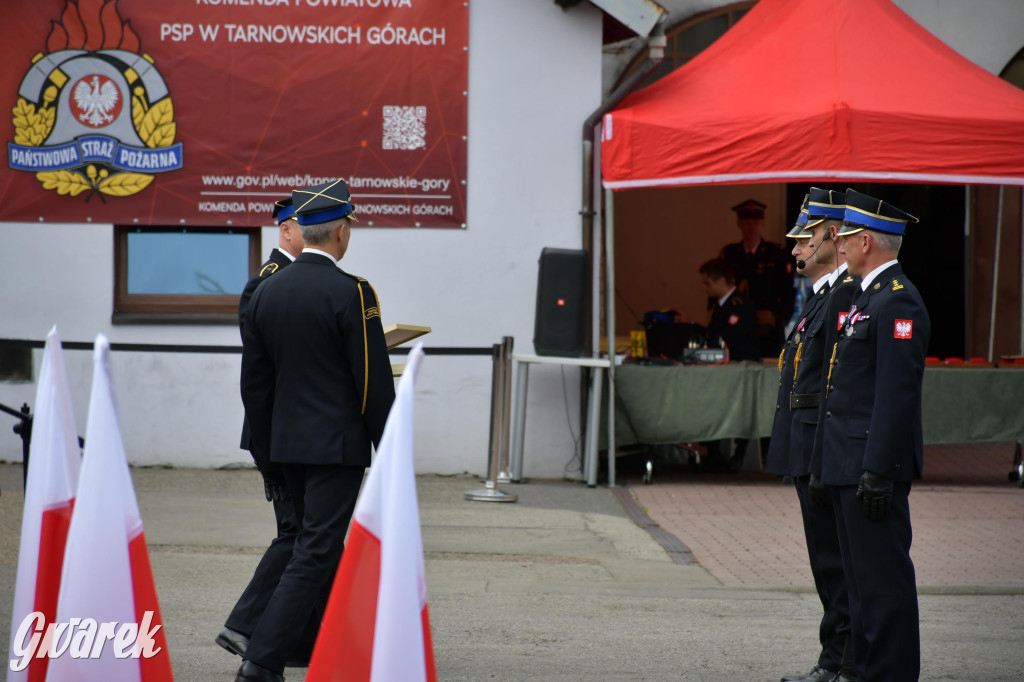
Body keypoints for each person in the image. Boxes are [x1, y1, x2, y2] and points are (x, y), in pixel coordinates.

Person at [236, 179, 395, 682]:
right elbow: (372, 381)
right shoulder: (354, 292)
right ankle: (261, 661)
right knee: (317, 549)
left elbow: (254, 388)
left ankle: (314, 646)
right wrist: (388, 446)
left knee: (309, 543)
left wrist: (268, 458)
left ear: (301, 231)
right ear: (342, 233)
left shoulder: (266, 291)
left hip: (286, 444)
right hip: (335, 448)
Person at [819, 188, 930, 682]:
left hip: (871, 465)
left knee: (883, 585)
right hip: (848, 463)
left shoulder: (898, 302)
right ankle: (863, 672)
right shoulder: (868, 299)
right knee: (861, 584)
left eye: (844, 236)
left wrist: (879, 468)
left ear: (867, 242)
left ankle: (890, 674)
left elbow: (895, 395)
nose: (837, 243)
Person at [216, 197, 316, 667]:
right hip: (279, 433)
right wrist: (268, 456)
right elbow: (261, 378)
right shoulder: (267, 285)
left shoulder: (298, 281)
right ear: (287, 231)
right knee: (298, 535)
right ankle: (246, 626)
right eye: (308, 224)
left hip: (292, 429)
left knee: (302, 536)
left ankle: (285, 638)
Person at [773, 188, 855, 682]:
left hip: (821, 448)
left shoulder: (844, 294)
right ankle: (835, 660)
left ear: (831, 235)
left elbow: (834, 385)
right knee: (826, 564)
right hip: (808, 446)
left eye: (805, 237)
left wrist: (822, 456)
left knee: (834, 564)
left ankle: (839, 662)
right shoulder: (823, 297)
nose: (795, 249)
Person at [697, 258, 759, 471]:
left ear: (721, 280)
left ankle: (730, 454)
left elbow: (728, 341)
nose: (704, 288)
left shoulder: (738, 305)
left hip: (738, 371)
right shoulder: (721, 305)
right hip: (723, 371)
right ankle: (712, 453)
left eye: (707, 283)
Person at [719, 198, 795, 357]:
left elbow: (788, 292)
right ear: (739, 223)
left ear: (762, 224)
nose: (751, 228)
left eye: (755, 223)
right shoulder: (730, 254)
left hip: (768, 327)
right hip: (736, 325)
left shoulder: (775, 253)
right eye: (747, 223)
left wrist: (779, 319)